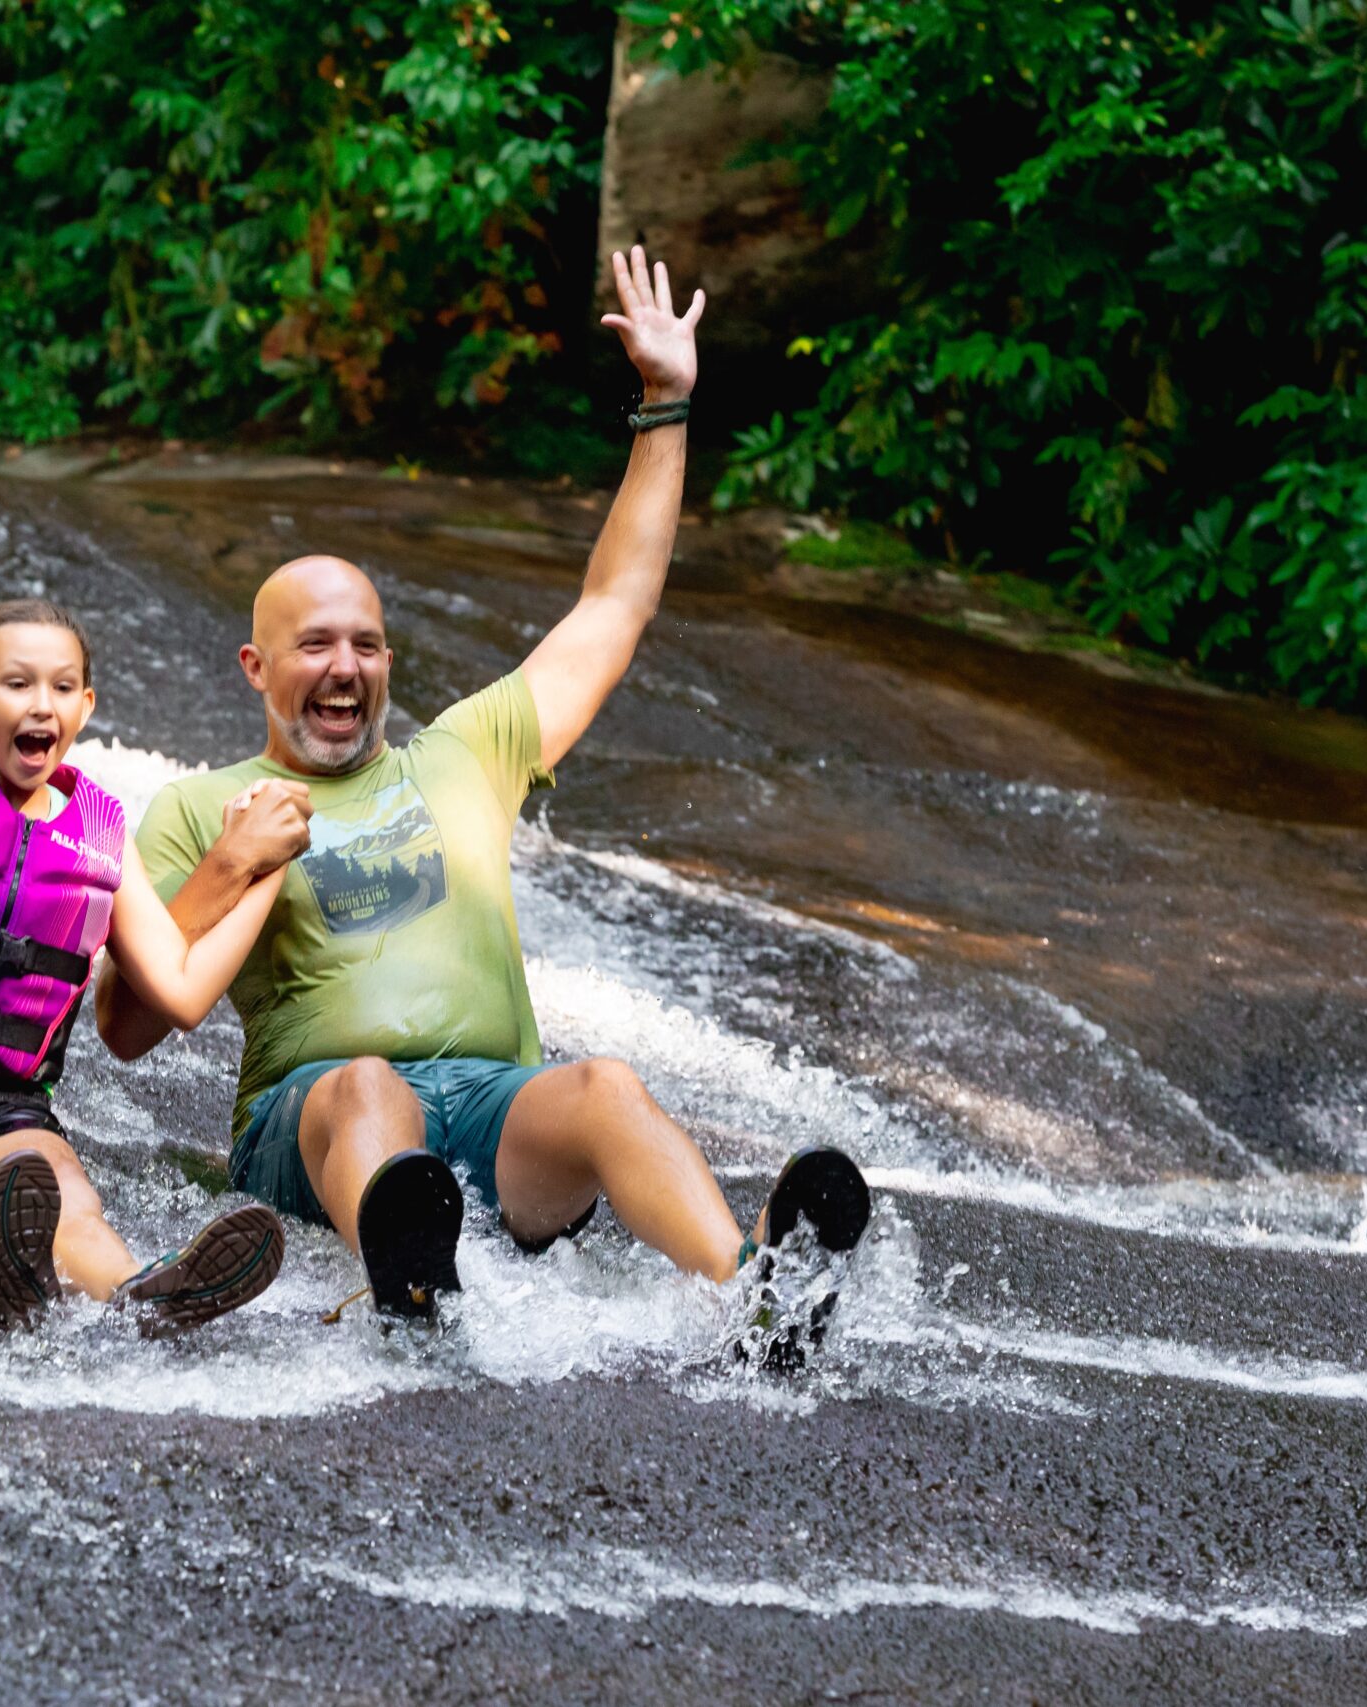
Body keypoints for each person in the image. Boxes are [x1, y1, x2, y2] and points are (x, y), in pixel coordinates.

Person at [96, 249, 831, 1320]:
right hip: (313, 1123)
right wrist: (228, 865)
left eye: (366, 645)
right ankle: (400, 1283)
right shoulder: (200, 806)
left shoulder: (463, 752)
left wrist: (665, 407)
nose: (344, 666)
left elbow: (612, 608)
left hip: (496, 1116)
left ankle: (751, 1298)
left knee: (606, 1087)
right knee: (367, 1085)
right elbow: (122, 1023)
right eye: (313, 645)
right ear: (256, 668)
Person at [0, 288, 295, 1336]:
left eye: (57, 686)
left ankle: (139, 1299)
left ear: (84, 707)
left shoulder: (98, 840)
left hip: (12, 1107)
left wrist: (262, 872)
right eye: (12, 682)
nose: (36, 703)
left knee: (67, 1198)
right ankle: (1, 1285)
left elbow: (173, 989)